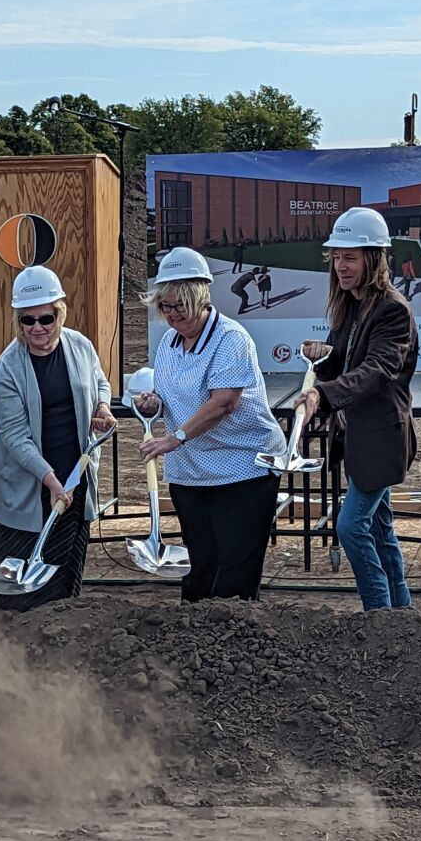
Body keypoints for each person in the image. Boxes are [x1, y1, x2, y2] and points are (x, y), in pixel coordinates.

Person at [133, 247, 287, 601]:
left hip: (244, 469)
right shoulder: (170, 344)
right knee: (200, 565)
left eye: (179, 307)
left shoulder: (231, 339)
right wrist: (155, 403)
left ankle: (233, 647)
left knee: (234, 570)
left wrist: (176, 438)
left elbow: (224, 403)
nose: (172, 316)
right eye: (165, 307)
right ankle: (194, 643)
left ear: (201, 299)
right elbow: (171, 393)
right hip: (192, 474)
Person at [0, 266, 115, 611]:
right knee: (9, 579)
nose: (37, 328)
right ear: (18, 322)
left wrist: (104, 408)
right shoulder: (9, 365)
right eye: (27, 320)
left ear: (60, 313)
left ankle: (54, 634)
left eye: (45, 318)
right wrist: (50, 480)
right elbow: (16, 438)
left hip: (74, 476)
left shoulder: (80, 346)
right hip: (28, 485)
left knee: (61, 574)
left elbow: (101, 384)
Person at [298, 208, 418, 610]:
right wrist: (324, 356)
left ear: (375, 259)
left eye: (350, 257)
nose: (341, 266)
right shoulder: (351, 304)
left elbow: (377, 370)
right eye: (335, 257)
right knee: (381, 533)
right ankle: (402, 619)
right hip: (360, 440)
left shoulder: (393, 310)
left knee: (351, 528)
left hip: (381, 440)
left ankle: (379, 618)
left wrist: (322, 394)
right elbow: (348, 361)